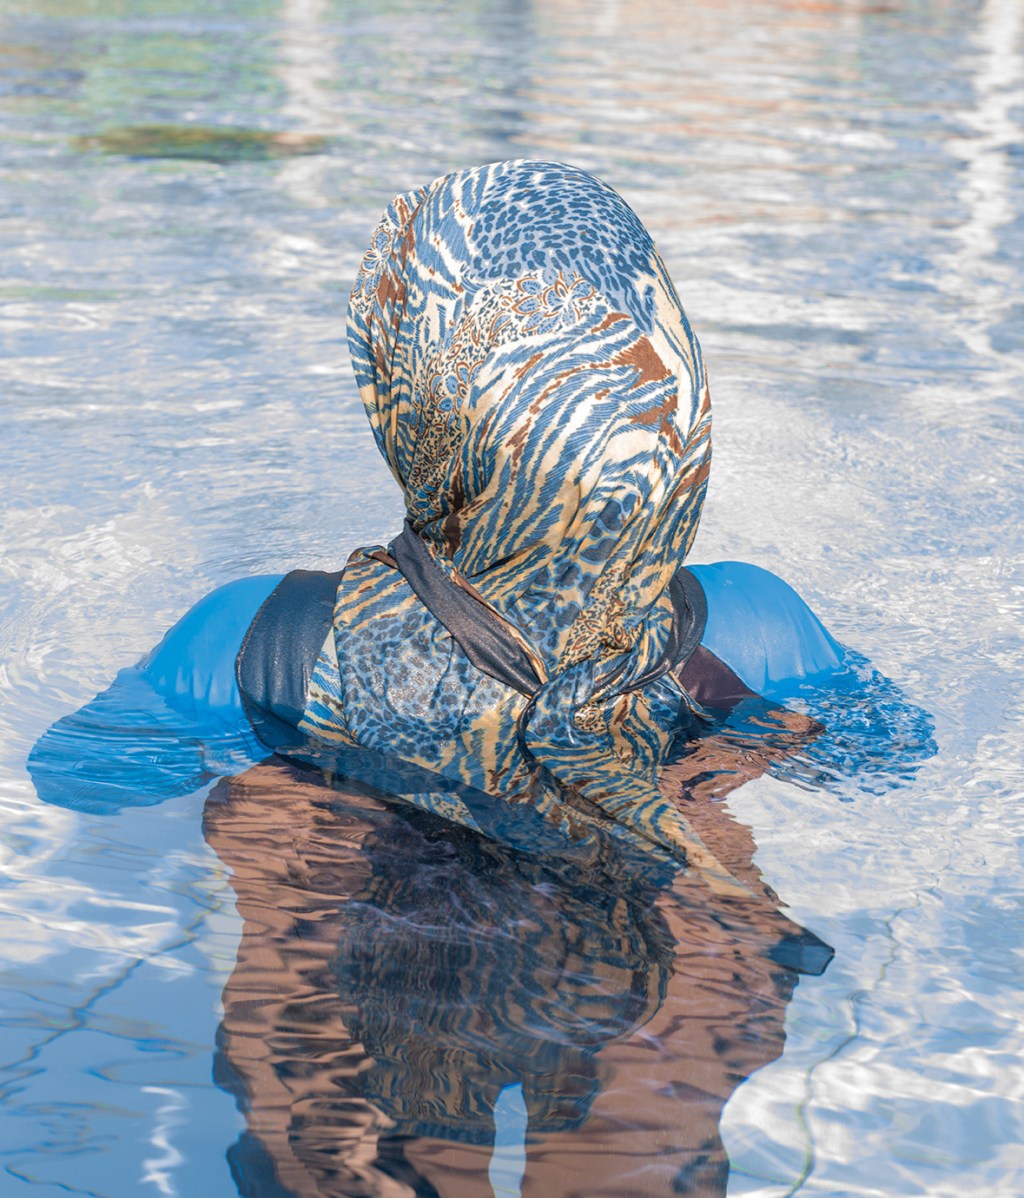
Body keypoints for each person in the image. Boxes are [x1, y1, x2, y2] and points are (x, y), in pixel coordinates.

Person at [28, 159, 932, 874]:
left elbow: (82, 781)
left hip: (374, 993)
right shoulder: (750, 623)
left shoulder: (266, 640)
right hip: (655, 1011)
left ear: (406, 399)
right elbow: (888, 764)